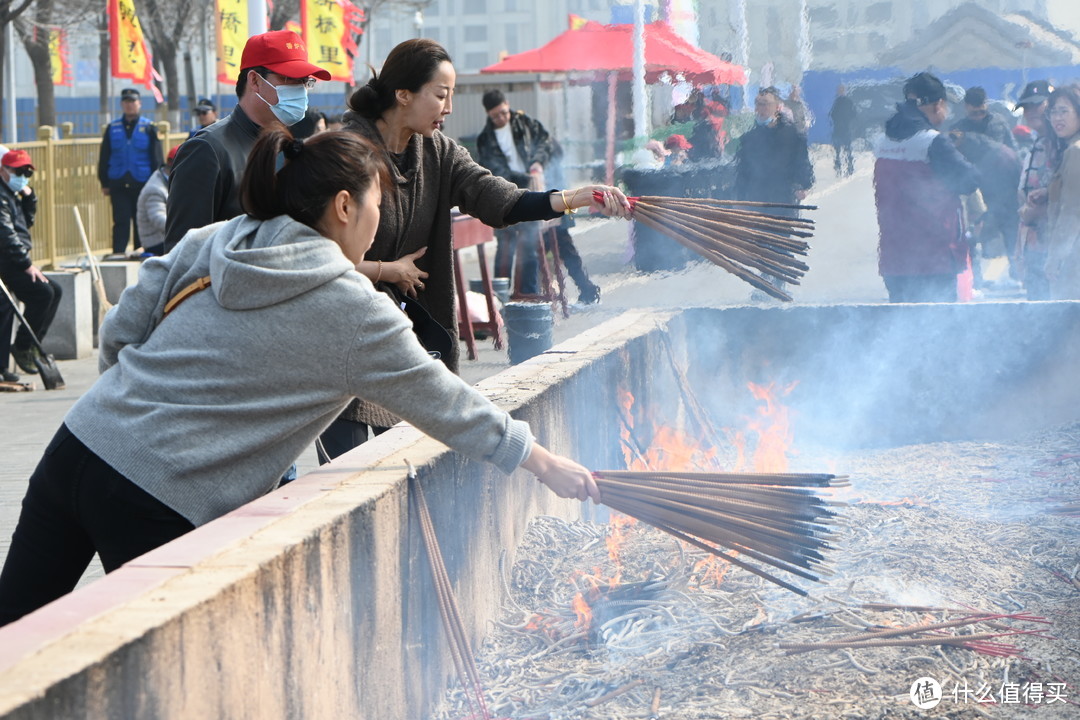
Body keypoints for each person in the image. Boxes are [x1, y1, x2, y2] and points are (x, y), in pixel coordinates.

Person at [0, 126, 603, 627]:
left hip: (79, 443)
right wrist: (543, 463)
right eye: (378, 203)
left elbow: (120, 331)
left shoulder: (223, 237)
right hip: (163, 489)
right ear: (345, 206)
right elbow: (445, 402)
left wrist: (129, 406)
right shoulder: (351, 307)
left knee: (15, 638)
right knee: (152, 671)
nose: (381, 218)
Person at [334, 38, 630, 460]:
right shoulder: (344, 153)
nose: (449, 107)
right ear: (402, 94)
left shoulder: (439, 152)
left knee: (398, 466)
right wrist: (386, 270)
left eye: (451, 95)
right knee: (342, 475)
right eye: (441, 95)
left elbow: (501, 200)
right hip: (343, 341)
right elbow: (316, 260)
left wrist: (573, 197)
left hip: (406, 341)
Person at [164, 30, 331, 252]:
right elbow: (183, 253)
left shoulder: (292, 148)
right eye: (287, 79)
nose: (300, 90)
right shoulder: (208, 149)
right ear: (254, 80)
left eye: (304, 82)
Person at [476, 89, 601, 304]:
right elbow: (496, 171)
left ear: (508, 104)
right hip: (511, 199)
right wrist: (525, 179)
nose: (501, 119)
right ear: (488, 114)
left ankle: (586, 290)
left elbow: (546, 145)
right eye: (495, 116)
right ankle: (502, 300)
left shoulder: (526, 124)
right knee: (509, 249)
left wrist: (537, 164)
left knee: (563, 241)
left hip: (547, 191)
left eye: (504, 113)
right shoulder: (485, 140)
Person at [874, 72, 979, 303]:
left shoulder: (883, 142)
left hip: (894, 260)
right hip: (934, 260)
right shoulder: (932, 142)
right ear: (939, 104)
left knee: (901, 332)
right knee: (937, 332)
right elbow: (968, 180)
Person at [735, 86, 814, 297]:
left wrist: (803, 184)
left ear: (777, 107)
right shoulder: (749, 138)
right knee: (761, 240)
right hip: (758, 195)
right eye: (758, 104)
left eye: (765, 104)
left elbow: (802, 162)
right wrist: (739, 197)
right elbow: (742, 170)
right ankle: (766, 280)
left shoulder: (792, 135)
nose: (760, 109)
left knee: (781, 239)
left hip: (783, 195)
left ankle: (778, 281)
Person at [0, 149, 62, 378]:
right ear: (3, 171)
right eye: (18, 171)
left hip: (16, 260)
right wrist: (26, 264)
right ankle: (20, 348)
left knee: (55, 291)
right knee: (42, 293)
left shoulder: (11, 195)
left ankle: (31, 344)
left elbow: (25, 224)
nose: (23, 176)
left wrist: (29, 198)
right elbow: (6, 235)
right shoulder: (1, 196)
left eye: (27, 172)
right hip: (8, 263)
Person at [97, 88, 163, 255]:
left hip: (142, 181)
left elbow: (157, 157)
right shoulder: (113, 128)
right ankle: (118, 254)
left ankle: (140, 252)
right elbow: (104, 156)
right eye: (126, 102)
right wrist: (104, 182)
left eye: (133, 101)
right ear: (121, 104)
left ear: (139, 103)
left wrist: (158, 181)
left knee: (141, 220)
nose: (129, 105)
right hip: (118, 180)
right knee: (120, 220)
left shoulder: (149, 127)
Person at [1016, 80, 1055, 299]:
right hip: (1034, 246)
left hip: (1058, 249)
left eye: (1036, 105)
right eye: (1026, 107)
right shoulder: (1036, 144)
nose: (1030, 111)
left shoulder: (1065, 146)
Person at [1044, 84, 1080, 299]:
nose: (1058, 118)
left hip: (1073, 259)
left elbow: (1072, 212)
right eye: (1053, 112)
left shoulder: (1075, 152)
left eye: (1064, 111)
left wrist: (1054, 258)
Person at [136, 144, 181, 256]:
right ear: (171, 163)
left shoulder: (172, 182)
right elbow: (159, 220)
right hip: (157, 243)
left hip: (167, 239)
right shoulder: (155, 188)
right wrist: (184, 227)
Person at [952, 86, 1016, 150]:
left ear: (986, 104)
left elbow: (1012, 146)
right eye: (974, 113)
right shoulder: (959, 128)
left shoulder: (999, 121)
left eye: (982, 112)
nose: (979, 117)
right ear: (966, 107)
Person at [829, 84, 857, 177]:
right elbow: (832, 114)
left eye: (842, 90)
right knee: (838, 150)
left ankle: (849, 168)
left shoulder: (847, 102)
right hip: (840, 129)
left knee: (847, 149)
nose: (840, 91)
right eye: (839, 90)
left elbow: (853, 114)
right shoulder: (837, 102)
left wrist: (846, 121)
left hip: (844, 129)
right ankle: (839, 168)